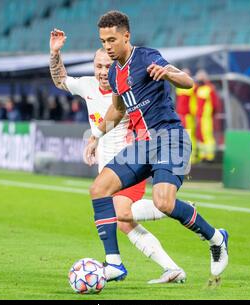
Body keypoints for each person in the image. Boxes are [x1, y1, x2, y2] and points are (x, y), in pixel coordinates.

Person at [85, 11, 228, 285]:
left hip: (169, 138)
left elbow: (188, 82)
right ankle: (114, 263)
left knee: (164, 202)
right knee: (98, 189)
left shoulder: (147, 56)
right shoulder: (115, 72)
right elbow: (117, 109)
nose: (107, 46)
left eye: (112, 39)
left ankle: (216, 238)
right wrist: (96, 136)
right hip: (141, 145)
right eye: (103, 41)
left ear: (126, 36)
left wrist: (168, 74)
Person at [49, 28, 186, 284]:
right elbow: (60, 79)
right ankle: (171, 267)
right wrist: (55, 53)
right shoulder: (87, 85)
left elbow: (147, 111)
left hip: (129, 162)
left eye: (107, 66)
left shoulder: (126, 92)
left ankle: (173, 208)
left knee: (122, 213)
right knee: (124, 222)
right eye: (98, 66)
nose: (102, 71)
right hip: (108, 168)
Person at [194, 69, 221, 162]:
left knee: (207, 135)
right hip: (199, 117)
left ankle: (210, 156)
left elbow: (215, 104)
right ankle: (203, 155)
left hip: (207, 117)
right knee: (200, 135)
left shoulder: (210, 88)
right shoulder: (198, 89)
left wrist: (212, 115)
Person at [175, 68, 198, 163]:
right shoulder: (178, 86)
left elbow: (195, 102)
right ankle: (182, 155)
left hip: (188, 115)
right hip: (180, 114)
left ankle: (192, 156)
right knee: (180, 135)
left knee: (189, 135)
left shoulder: (193, 86)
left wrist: (195, 114)